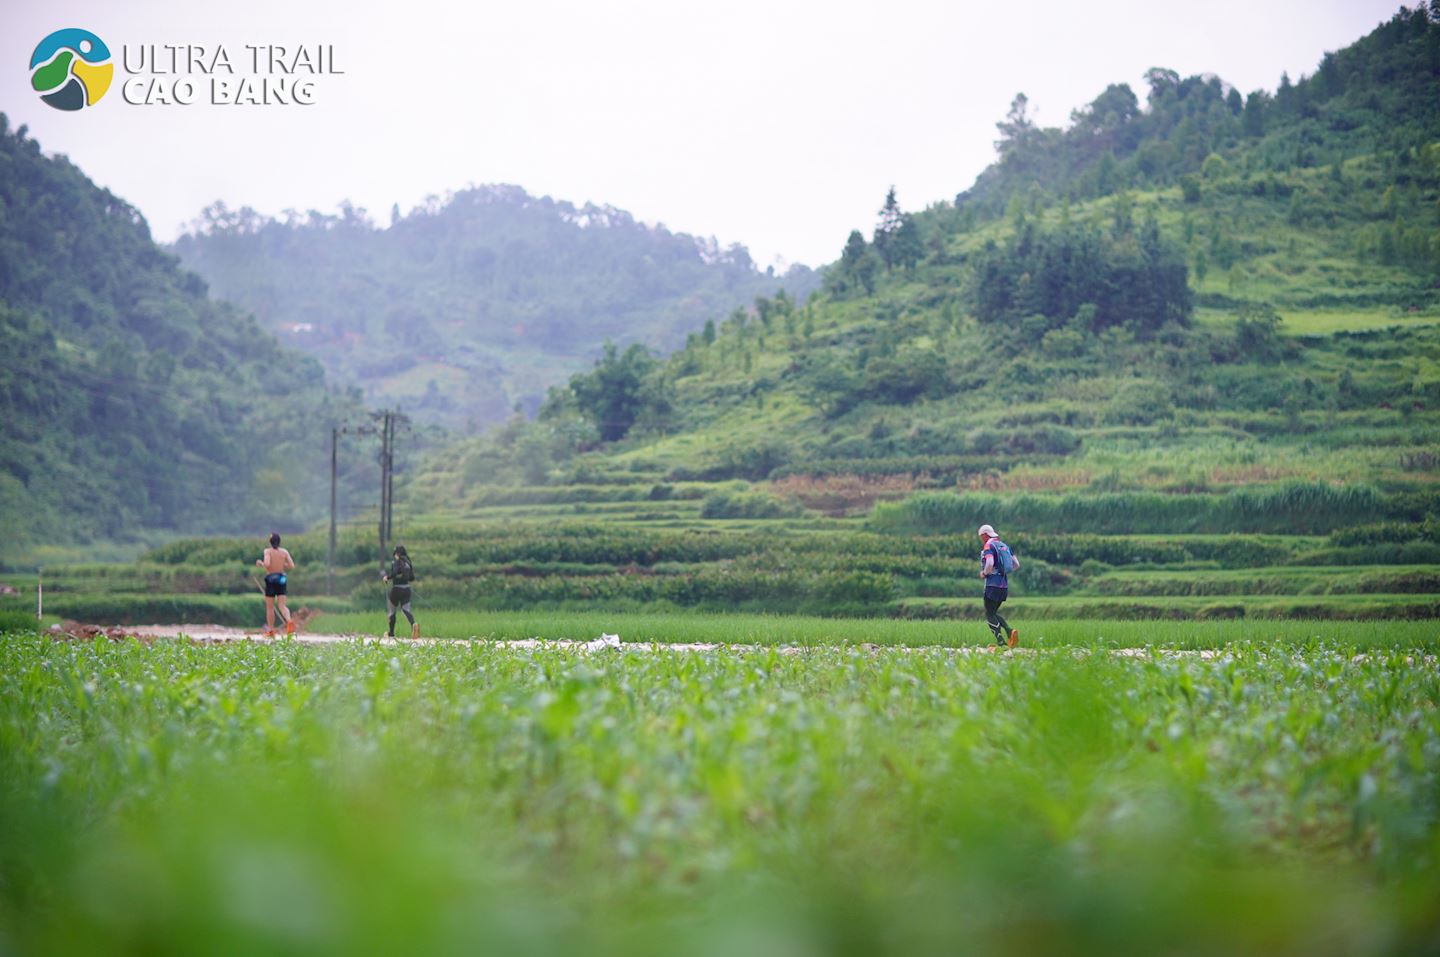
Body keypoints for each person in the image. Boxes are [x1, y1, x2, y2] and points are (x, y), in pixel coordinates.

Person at [977, 523, 1019, 648]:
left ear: (985, 535)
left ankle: (1001, 642)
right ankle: (1010, 632)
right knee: (993, 612)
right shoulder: (1004, 546)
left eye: (981, 537)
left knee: (989, 614)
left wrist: (985, 573)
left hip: (992, 585)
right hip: (1003, 585)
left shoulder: (988, 545)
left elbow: (989, 562)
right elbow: (1016, 564)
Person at [255, 532, 296, 637]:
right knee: (282, 605)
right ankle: (289, 620)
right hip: (282, 578)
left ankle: (271, 630)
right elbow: (291, 565)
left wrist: (261, 564)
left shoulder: (268, 551)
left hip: (271, 579)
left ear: (270, 542)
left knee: (270, 607)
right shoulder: (284, 552)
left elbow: (267, 564)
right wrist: (282, 564)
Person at [382, 544, 419, 639]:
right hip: (407, 589)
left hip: (396, 589)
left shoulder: (396, 562)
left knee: (392, 611)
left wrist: (387, 577)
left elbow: (394, 573)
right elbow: (411, 577)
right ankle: (413, 624)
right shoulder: (408, 562)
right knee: (406, 610)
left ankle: (391, 633)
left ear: (397, 554)